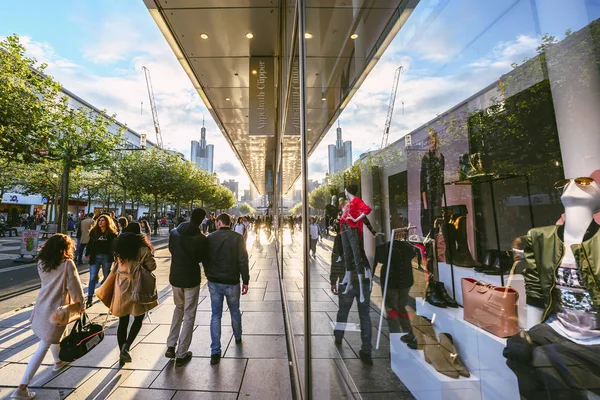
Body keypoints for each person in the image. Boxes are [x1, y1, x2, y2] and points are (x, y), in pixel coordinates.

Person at [12, 234, 85, 400]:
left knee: (55, 336)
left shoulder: (42, 262)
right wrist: (81, 304)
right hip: (56, 310)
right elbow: (75, 288)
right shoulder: (67, 264)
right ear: (65, 248)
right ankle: (22, 388)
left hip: (42, 305)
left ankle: (58, 362)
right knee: (43, 345)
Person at [110, 223, 158, 366]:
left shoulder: (119, 247)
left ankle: (121, 352)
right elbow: (152, 266)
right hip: (138, 286)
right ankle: (127, 346)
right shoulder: (143, 248)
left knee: (122, 322)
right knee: (138, 318)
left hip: (121, 286)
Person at [204, 213, 249, 365]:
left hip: (215, 281)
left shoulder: (210, 237)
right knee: (235, 311)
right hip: (232, 281)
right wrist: (246, 280)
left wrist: (208, 275)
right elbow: (243, 260)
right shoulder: (237, 238)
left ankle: (215, 351)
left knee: (215, 315)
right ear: (230, 223)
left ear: (218, 223)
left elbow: (205, 259)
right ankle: (238, 337)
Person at [165, 208, 208, 366]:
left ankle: (171, 345)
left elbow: (171, 250)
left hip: (175, 276)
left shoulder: (175, 232)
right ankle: (182, 353)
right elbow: (202, 258)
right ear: (202, 220)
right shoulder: (201, 238)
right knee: (189, 314)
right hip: (191, 278)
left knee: (178, 308)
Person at [86, 214, 118, 308]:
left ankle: (107, 296)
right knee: (92, 277)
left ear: (107, 222)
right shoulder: (94, 232)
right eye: (99, 220)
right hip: (95, 257)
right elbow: (90, 244)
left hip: (106, 257)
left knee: (107, 277)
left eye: (103, 220)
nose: (100, 222)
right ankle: (89, 298)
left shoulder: (111, 234)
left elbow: (113, 246)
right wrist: (87, 253)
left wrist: (115, 255)